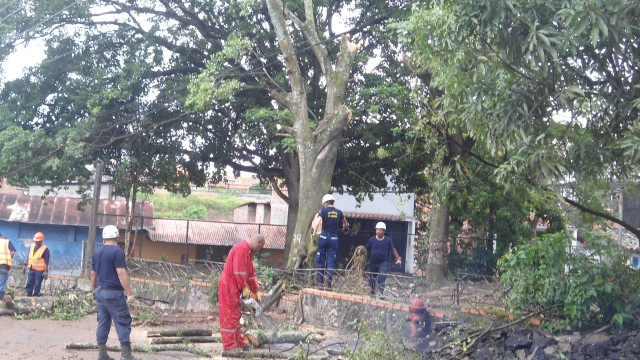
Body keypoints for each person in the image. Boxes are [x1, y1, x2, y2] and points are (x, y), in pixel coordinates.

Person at [91, 225, 136, 360]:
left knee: (103, 322)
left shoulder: (97, 252)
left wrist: (94, 291)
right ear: (117, 236)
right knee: (122, 320)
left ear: (104, 238)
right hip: (113, 293)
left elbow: (93, 274)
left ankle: (102, 354)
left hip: (100, 292)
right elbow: (121, 272)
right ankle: (126, 355)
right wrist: (130, 293)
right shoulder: (117, 252)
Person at [218, 234, 265, 354]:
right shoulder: (241, 250)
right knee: (230, 315)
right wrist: (244, 289)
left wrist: (255, 290)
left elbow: (250, 274)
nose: (260, 250)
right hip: (229, 285)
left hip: (234, 286)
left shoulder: (247, 252)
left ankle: (238, 342)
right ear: (258, 242)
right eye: (261, 247)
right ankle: (229, 346)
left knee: (236, 314)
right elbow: (238, 272)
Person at [316, 194, 348, 290]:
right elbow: (345, 222)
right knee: (331, 261)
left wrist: (314, 233)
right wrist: (345, 227)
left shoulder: (323, 211)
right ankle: (329, 286)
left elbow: (317, 222)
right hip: (334, 238)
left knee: (320, 260)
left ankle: (321, 285)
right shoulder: (339, 212)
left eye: (324, 203)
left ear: (326, 202)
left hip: (324, 236)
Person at [365, 222, 401, 297]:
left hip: (383, 263)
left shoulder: (388, 240)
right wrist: (361, 253)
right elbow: (366, 249)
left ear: (384, 231)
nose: (378, 232)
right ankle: (372, 292)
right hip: (373, 262)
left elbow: (393, 249)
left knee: (382, 277)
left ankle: (381, 293)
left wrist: (398, 258)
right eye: (377, 230)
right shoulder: (371, 239)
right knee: (372, 278)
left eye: (380, 230)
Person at [25, 231, 50, 297]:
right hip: (31, 268)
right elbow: (28, 256)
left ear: (41, 241)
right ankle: (29, 295)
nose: (36, 242)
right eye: (35, 241)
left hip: (39, 270)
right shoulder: (32, 246)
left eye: (37, 241)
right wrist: (25, 265)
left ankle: (36, 295)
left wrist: (46, 271)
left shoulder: (45, 249)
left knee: (37, 283)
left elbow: (47, 261)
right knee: (29, 282)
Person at [0, 233, 17, 303]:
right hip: (4, 266)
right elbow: (12, 253)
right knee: (2, 283)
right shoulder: (6, 241)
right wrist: (9, 258)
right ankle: (0, 299)